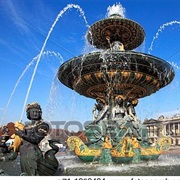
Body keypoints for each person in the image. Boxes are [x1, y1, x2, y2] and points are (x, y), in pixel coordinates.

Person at [15, 102, 49, 175]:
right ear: (28, 113)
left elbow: (36, 139)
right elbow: (19, 140)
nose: (35, 114)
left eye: (37, 112)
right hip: (23, 154)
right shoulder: (26, 126)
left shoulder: (43, 125)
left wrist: (21, 133)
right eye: (33, 112)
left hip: (33, 155)